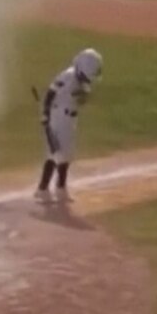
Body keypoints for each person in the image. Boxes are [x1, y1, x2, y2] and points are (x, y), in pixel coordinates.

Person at [34, 49, 103, 205]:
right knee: (55, 153)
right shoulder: (67, 76)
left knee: (67, 154)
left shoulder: (83, 82)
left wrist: (83, 97)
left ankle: (60, 188)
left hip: (70, 119)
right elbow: (50, 94)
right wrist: (45, 115)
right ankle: (42, 189)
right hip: (58, 117)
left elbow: (81, 99)